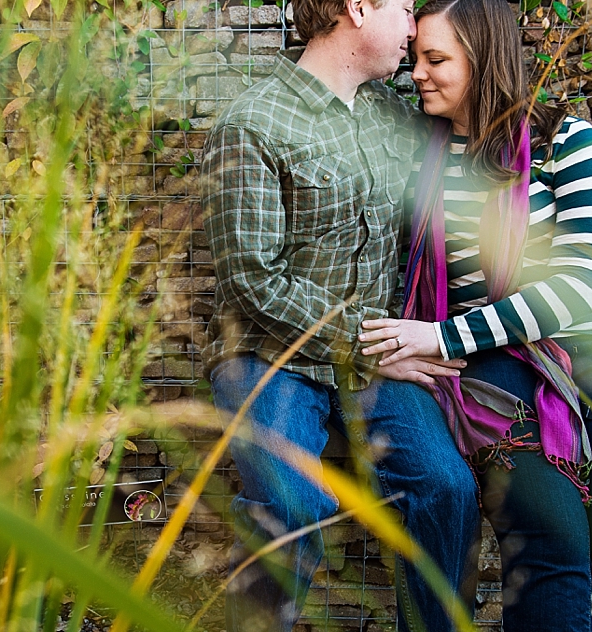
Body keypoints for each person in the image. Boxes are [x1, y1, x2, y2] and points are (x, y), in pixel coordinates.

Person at [359, 0, 592, 628]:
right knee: (546, 536)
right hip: (504, 358)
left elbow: (582, 280)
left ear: (484, 60)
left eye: (436, 59)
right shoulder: (427, 156)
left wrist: (442, 336)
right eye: (415, 56)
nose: (416, 72)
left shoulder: (565, 139)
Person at [199, 0, 482, 629]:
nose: (413, 29)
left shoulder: (394, 118)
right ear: (358, 8)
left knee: (449, 491)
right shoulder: (253, 123)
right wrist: (367, 341)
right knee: (292, 504)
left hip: (376, 359)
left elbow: (479, 144)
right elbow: (252, 279)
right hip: (270, 355)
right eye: (406, 9)